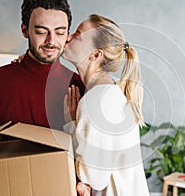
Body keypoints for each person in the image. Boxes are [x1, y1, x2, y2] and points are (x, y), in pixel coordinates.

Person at [0, 0, 84, 140]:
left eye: (60, 32)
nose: (51, 41)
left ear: (68, 35)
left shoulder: (79, 86)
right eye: (41, 32)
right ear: (25, 31)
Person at [62, 14, 150, 196]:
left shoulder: (97, 100)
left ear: (95, 54)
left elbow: (95, 178)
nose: (68, 37)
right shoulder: (109, 91)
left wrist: (71, 124)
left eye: (77, 35)